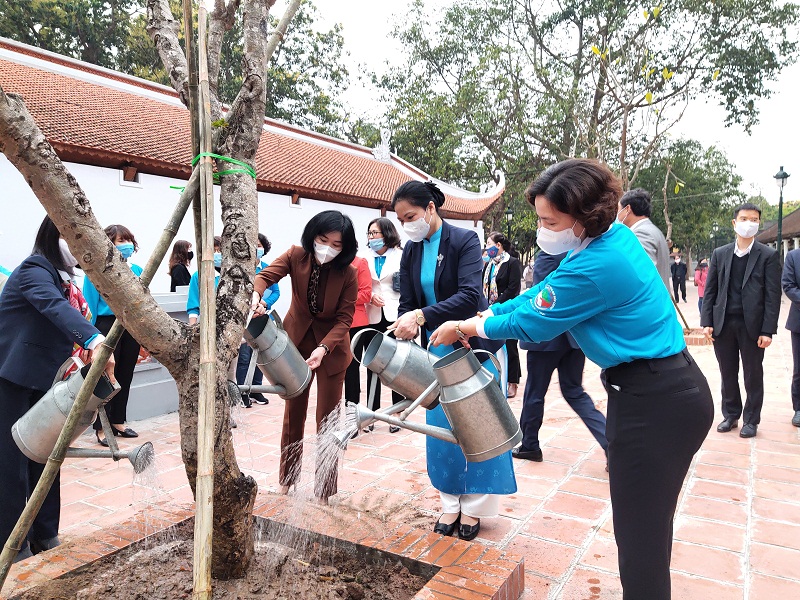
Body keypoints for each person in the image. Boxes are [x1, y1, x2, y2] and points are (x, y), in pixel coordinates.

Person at [430, 159, 713, 599]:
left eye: (550, 222)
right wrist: (487, 313)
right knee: (645, 529)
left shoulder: (599, 263)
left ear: (585, 217)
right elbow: (537, 295)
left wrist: (469, 326)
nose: (542, 230)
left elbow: (534, 321)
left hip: (655, 403)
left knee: (641, 542)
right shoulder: (604, 241)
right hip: (659, 389)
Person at [390, 180, 515, 542]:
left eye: (410, 216)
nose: (407, 225)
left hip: (469, 342)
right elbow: (407, 301)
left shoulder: (464, 240)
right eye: (401, 220)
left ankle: (475, 506)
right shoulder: (412, 250)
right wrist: (405, 323)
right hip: (436, 349)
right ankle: (450, 502)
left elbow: (469, 295)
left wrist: (421, 316)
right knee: (442, 429)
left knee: (479, 425)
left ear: (430, 208)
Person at [0, 216, 115, 562]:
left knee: (47, 456)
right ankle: (12, 543)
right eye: (73, 237)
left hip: (46, 379)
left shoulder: (65, 277)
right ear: (55, 236)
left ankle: (45, 533)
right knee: (12, 463)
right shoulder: (35, 269)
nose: (80, 248)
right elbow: (53, 306)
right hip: (12, 378)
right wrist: (95, 340)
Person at [252, 210, 358, 503]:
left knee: (328, 419)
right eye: (323, 240)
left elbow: (345, 319)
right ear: (312, 236)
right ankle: (287, 480)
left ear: (345, 248)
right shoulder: (295, 255)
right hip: (295, 345)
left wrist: (323, 348)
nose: (327, 248)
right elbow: (265, 276)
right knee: (293, 415)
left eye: (336, 245)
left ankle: (324, 489)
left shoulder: (348, 273)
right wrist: (256, 296)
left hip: (331, 350)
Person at [513, 251, 608, 464]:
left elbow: (542, 298)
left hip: (546, 339)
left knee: (535, 393)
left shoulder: (549, 254)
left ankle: (529, 444)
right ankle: (610, 444)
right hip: (575, 337)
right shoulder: (581, 252)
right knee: (575, 392)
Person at [702, 203, 781, 438]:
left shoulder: (768, 255)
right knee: (727, 372)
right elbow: (711, 290)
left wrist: (767, 330)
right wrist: (707, 321)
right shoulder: (720, 253)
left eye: (754, 220)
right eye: (744, 219)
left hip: (752, 326)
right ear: (734, 223)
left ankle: (751, 420)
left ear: (759, 223)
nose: (749, 223)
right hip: (724, 323)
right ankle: (731, 414)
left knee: (752, 374)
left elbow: (772, 296)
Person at [83, 224, 143, 446]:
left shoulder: (137, 270)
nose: (126, 245)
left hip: (130, 325)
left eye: (128, 240)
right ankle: (101, 427)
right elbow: (89, 304)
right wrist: (89, 340)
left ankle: (118, 421)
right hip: (106, 325)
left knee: (125, 374)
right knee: (107, 376)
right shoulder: (95, 270)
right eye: (120, 241)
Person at [352, 217, 405, 426]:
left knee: (394, 362)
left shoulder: (401, 255)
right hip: (371, 314)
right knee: (372, 362)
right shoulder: (363, 257)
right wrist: (371, 296)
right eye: (369, 233)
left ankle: (397, 411)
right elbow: (362, 285)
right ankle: (371, 412)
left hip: (394, 313)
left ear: (387, 233)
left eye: (375, 233)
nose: (372, 237)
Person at [236, 233, 280, 407]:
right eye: (253, 244)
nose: (256, 248)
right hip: (245, 318)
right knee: (244, 357)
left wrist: (263, 303)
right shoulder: (241, 269)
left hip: (262, 318)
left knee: (260, 356)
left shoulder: (267, 269)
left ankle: (256, 390)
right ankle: (242, 393)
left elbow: (276, 292)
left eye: (260, 245)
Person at [483, 231, 522, 398]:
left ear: (498, 245)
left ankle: (512, 381)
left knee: (510, 345)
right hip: (490, 311)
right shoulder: (489, 265)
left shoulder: (512, 263)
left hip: (507, 309)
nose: (487, 248)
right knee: (494, 345)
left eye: (489, 244)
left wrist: (497, 305)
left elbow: (513, 289)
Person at [342, 255, 378, 420]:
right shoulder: (332, 263)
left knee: (352, 368)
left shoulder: (359, 262)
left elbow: (366, 294)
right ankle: (348, 409)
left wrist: (341, 299)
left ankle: (354, 412)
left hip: (355, 323)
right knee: (342, 369)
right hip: (334, 322)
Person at [617, 188, 670, 289]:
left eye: (618, 209)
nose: (617, 215)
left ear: (627, 209)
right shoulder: (654, 231)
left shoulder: (641, 233)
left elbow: (642, 275)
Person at [781, 247, 800, 428]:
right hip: (799, 322)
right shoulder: (794, 257)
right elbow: (788, 285)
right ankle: (799, 408)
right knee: (799, 369)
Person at [186, 236, 222, 326]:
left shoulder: (234, 274)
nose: (217, 253)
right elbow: (193, 303)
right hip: (208, 323)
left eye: (219, 251)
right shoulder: (199, 275)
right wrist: (192, 326)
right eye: (213, 251)